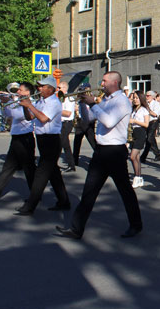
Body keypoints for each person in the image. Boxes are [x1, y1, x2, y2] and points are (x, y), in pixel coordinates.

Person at [56, 71, 142, 239]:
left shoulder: (122, 101)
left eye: (104, 81)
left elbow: (109, 121)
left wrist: (94, 104)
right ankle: (76, 228)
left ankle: (136, 225)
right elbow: (90, 118)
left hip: (115, 151)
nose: (101, 84)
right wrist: (84, 103)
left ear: (114, 83)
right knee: (89, 190)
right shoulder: (107, 100)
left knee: (125, 190)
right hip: (101, 150)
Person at [14, 76, 70, 215]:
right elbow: (30, 117)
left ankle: (30, 205)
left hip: (51, 139)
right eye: (39, 86)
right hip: (42, 139)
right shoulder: (40, 101)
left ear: (50, 89)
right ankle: (64, 201)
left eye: (42, 86)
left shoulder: (54, 102)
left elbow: (44, 118)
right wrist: (25, 107)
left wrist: (29, 105)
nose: (39, 89)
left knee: (41, 174)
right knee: (53, 173)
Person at [0, 83, 36, 200]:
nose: (17, 92)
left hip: (25, 138)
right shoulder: (16, 102)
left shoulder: (32, 103)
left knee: (29, 168)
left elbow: (20, 116)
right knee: (8, 166)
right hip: (16, 137)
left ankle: (35, 194)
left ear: (27, 93)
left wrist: (9, 102)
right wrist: (5, 104)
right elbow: (8, 115)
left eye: (20, 90)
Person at [128, 91, 150, 188]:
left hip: (141, 132)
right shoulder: (133, 109)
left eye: (137, 98)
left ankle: (137, 177)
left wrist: (135, 121)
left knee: (132, 156)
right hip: (133, 133)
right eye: (134, 98)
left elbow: (146, 124)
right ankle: (139, 178)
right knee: (136, 157)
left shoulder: (144, 110)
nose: (135, 100)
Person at [73, 90, 97, 165]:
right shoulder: (79, 102)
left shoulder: (91, 99)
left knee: (92, 141)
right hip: (80, 122)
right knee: (76, 142)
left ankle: (99, 157)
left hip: (88, 123)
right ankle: (75, 160)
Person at [140, 91, 160, 163]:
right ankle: (150, 156)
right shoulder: (145, 104)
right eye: (146, 95)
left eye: (148, 96)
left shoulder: (156, 104)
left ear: (152, 97)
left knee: (150, 138)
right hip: (147, 122)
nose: (146, 97)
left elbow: (155, 114)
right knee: (149, 139)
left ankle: (151, 155)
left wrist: (147, 108)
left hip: (153, 122)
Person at [58, 82, 76, 171]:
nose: (57, 89)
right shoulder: (60, 98)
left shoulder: (68, 98)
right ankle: (71, 165)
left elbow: (68, 113)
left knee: (60, 143)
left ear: (65, 88)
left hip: (67, 123)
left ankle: (52, 163)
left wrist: (56, 109)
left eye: (59, 87)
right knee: (65, 144)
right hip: (61, 123)